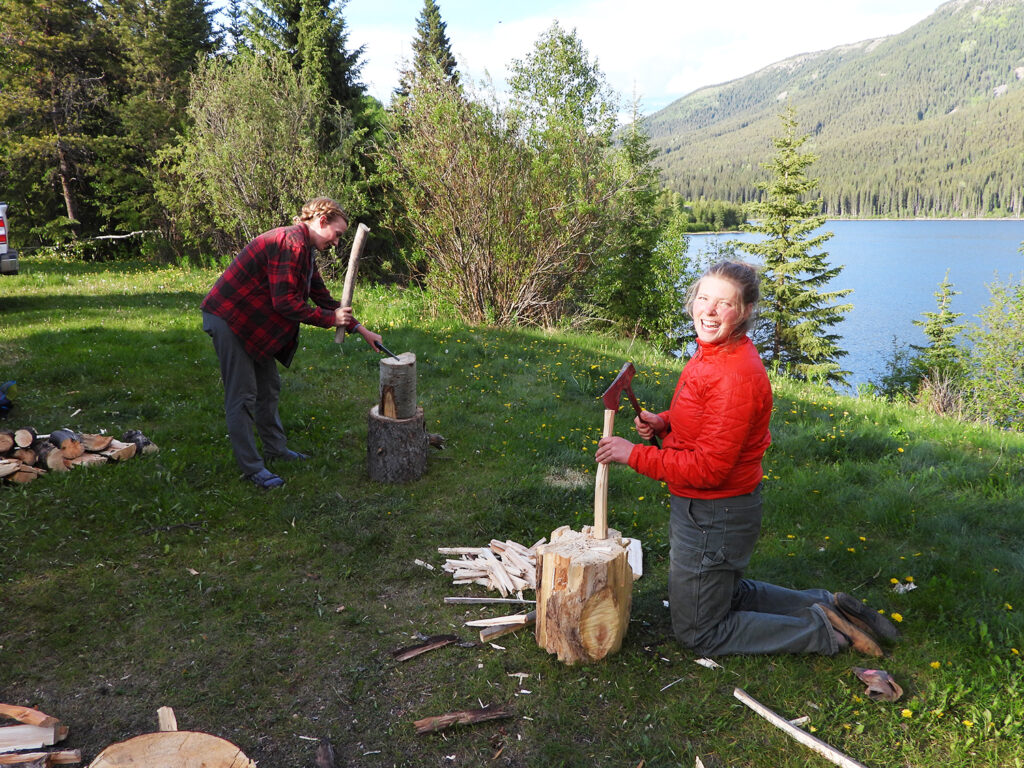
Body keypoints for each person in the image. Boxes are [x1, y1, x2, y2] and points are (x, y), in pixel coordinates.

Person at [595, 261, 898, 656]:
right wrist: (665, 423)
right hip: (715, 514)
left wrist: (633, 454)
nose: (708, 311)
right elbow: (708, 420)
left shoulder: (733, 374)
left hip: (712, 515)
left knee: (698, 632)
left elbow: (708, 468)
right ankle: (828, 603)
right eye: (703, 298)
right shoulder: (715, 352)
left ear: (746, 311)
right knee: (724, 592)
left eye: (724, 304)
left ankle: (819, 629)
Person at [201, 197, 383, 489]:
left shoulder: (305, 250)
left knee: (268, 388)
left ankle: (276, 450)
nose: (337, 243)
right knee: (243, 395)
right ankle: (252, 469)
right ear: (321, 221)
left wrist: (359, 328)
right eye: (337, 234)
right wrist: (330, 319)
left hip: (252, 325)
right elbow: (286, 303)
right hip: (229, 320)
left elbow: (320, 295)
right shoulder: (290, 244)